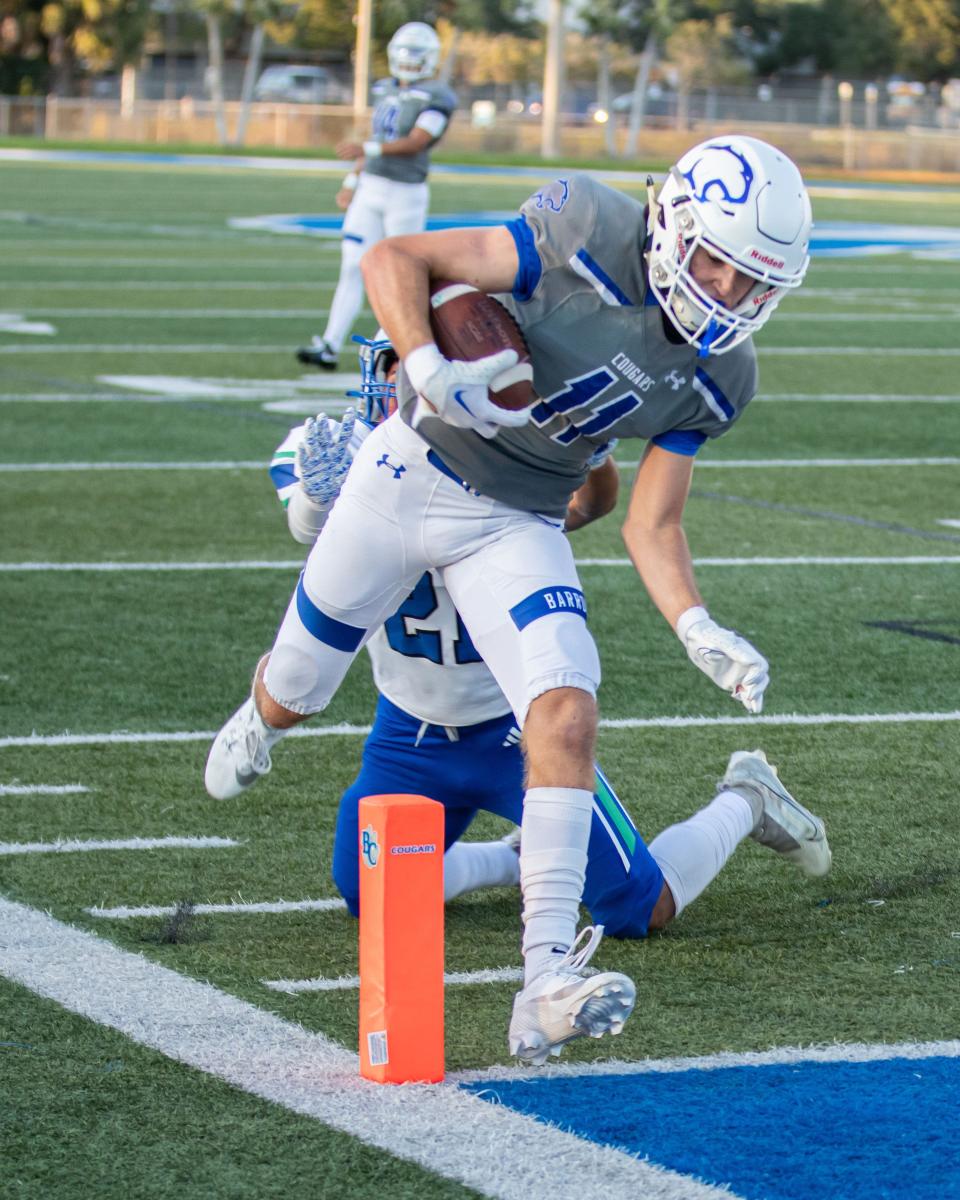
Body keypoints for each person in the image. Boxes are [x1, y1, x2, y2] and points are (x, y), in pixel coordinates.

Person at [206, 135, 815, 1065]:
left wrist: (697, 625)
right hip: (407, 480)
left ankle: (545, 988)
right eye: (716, 268)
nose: (727, 297)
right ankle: (258, 718)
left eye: (751, 283)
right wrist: (424, 366)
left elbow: (641, 518)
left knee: (568, 707)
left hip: (511, 522)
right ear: (672, 227)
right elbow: (393, 264)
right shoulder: (584, 225)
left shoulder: (721, 375)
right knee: (294, 690)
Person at [268, 342, 830, 1026]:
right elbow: (303, 513)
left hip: (515, 729)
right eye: (394, 366)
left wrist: (577, 443)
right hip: (408, 730)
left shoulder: (505, 448)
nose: (399, 380)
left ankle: (747, 797)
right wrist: (338, 492)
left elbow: (593, 501)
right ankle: (516, 862)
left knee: (637, 909)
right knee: (367, 889)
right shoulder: (327, 448)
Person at [297, 22, 456, 371]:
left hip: (405, 192)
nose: (409, 60)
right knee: (352, 265)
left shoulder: (437, 96)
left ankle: (407, 348)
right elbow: (375, 138)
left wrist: (367, 147)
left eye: (417, 54)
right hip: (370, 187)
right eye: (405, 52)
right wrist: (352, 180)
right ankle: (329, 344)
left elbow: (417, 141)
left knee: (400, 272)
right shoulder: (384, 88)